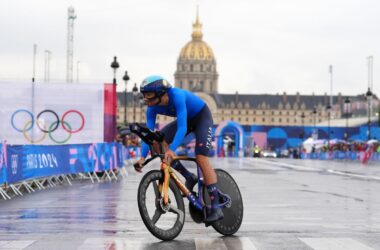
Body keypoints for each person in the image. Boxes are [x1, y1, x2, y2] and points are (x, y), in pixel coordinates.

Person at [134, 75, 223, 223]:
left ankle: (216, 207)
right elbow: (148, 136)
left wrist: (172, 149)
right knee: (158, 142)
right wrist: (142, 157)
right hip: (187, 120)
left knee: (201, 157)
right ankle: (189, 177)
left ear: (161, 92)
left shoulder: (177, 96)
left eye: (149, 95)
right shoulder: (151, 109)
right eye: (144, 95)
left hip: (202, 118)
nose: (146, 99)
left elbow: (182, 128)